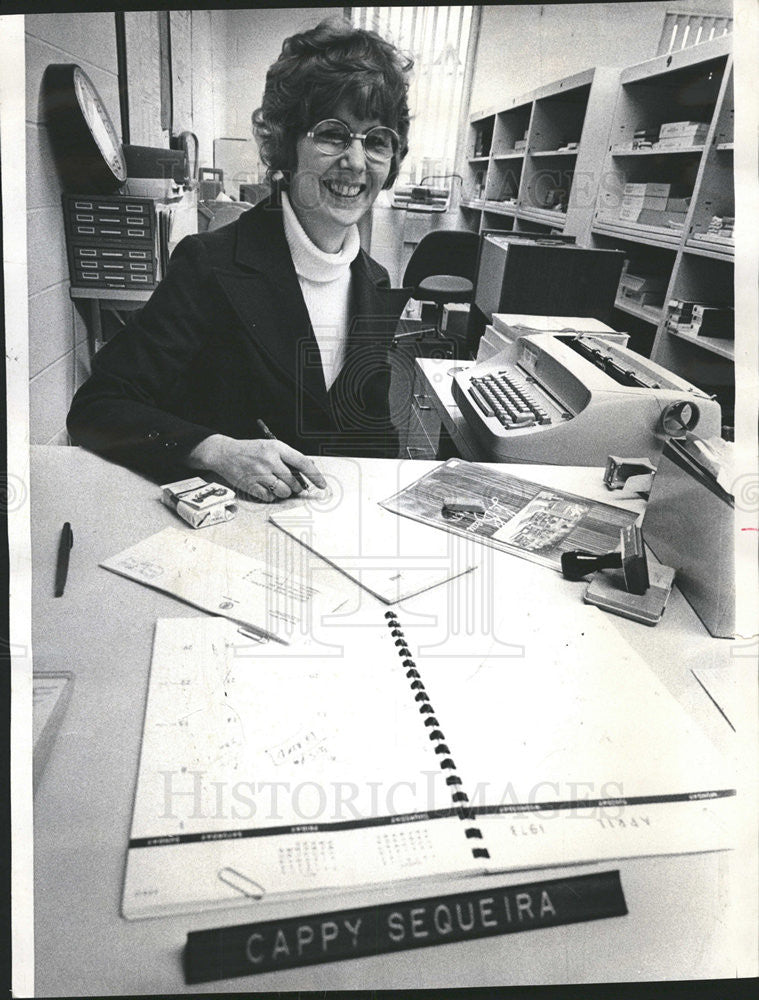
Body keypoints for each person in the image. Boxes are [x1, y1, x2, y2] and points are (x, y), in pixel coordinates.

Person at [67, 18, 413, 502]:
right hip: (227, 539)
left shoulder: (374, 282)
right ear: (287, 145)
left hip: (326, 537)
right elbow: (96, 407)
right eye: (333, 134)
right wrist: (214, 450)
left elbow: (369, 433)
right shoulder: (211, 264)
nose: (356, 161)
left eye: (377, 141)